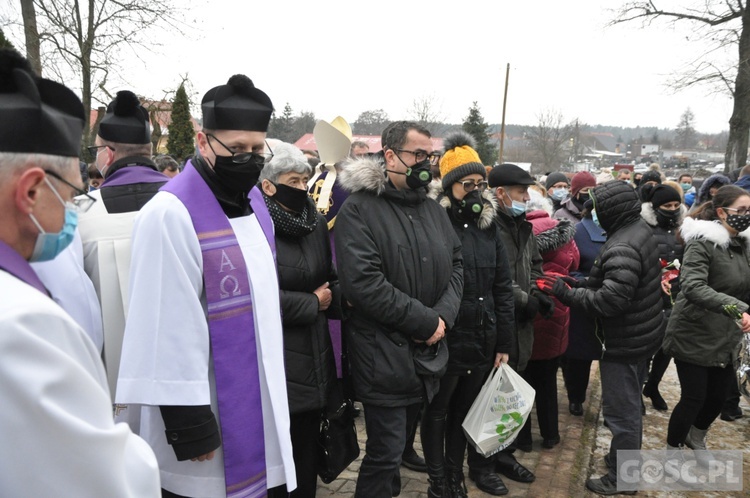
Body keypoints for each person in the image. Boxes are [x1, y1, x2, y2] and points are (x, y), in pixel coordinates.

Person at [116, 75, 296, 497]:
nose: (248, 159)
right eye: (236, 149)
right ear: (202, 140)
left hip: (258, 398)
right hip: (205, 409)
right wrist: (189, 425)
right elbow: (164, 322)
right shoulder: (170, 213)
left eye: (257, 149)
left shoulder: (256, 206)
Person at [0, 48, 160, 497]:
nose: (74, 207)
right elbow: (104, 482)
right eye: (70, 190)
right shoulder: (25, 324)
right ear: (30, 191)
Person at [334, 121, 463, 498]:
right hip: (383, 356)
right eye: (417, 155)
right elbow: (364, 283)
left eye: (430, 155)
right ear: (390, 156)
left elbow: (457, 264)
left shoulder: (434, 210)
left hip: (429, 356)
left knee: (400, 449)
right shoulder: (360, 209)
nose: (426, 163)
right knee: (385, 454)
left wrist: (444, 317)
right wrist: (426, 321)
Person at [544, 180, 665, 495]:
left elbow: (610, 302)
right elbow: (618, 284)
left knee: (621, 414)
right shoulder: (637, 230)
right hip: (641, 335)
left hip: (623, 342)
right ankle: (620, 461)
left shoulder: (623, 244)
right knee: (629, 408)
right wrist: (579, 283)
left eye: (596, 209)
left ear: (611, 211)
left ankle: (623, 479)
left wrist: (567, 294)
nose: (591, 215)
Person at [422, 132, 514, 498]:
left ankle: (455, 473)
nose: (475, 191)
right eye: (466, 184)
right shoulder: (434, 223)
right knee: (438, 410)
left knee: (466, 411)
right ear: (449, 186)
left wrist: (504, 339)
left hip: (482, 335)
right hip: (446, 336)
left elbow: (502, 287)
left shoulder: (489, 226)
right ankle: (437, 479)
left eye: (480, 183)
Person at [467, 163, 555, 492]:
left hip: (521, 327)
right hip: (495, 324)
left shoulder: (522, 225)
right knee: (490, 397)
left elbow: (533, 265)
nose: (527, 198)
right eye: (521, 192)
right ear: (501, 193)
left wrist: (537, 294)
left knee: (510, 397)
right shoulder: (487, 226)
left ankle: (503, 453)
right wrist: (523, 299)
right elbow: (491, 278)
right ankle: (481, 464)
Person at [259, 142, 339, 497]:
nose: (302, 188)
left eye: (305, 180)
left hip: (314, 356)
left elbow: (328, 276)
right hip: (277, 359)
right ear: (268, 185)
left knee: (306, 453)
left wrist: (338, 294)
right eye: (293, 180)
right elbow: (254, 297)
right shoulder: (256, 226)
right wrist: (311, 302)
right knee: (277, 459)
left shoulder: (314, 222)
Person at [77, 90, 169, 397]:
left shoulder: (81, 213)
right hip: (184, 384)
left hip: (110, 386)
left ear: (109, 153)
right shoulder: (190, 203)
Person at [662, 185, 750, 463]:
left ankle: (696, 437)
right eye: (742, 210)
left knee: (718, 398)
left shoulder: (744, 245)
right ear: (722, 212)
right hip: (695, 331)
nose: (747, 216)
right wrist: (737, 308)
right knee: (693, 398)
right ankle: (672, 450)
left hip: (726, 335)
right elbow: (693, 287)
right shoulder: (703, 243)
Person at [517, 189, 579, 451]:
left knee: (522, 384)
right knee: (548, 383)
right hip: (558, 305)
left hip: (530, 308)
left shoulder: (522, 233)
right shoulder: (562, 231)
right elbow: (575, 263)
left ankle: (523, 439)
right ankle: (551, 434)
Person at [639, 184, 686, 412]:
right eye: (667, 205)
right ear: (656, 208)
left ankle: (653, 385)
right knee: (646, 347)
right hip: (650, 295)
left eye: (676, 205)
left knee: (666, 348)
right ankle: (638, 388)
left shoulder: (684, 229)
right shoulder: (644, 227)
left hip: (676, 295)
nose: (673, 209)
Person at [562, 199, 606, 417]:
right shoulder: (577, 232)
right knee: (580, 357)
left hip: (611, 305)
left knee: (611, 359)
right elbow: (568, 268)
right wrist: (587, 281)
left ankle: (611, 404)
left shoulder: (620, 231)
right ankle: (576, 397)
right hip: (584, 302)